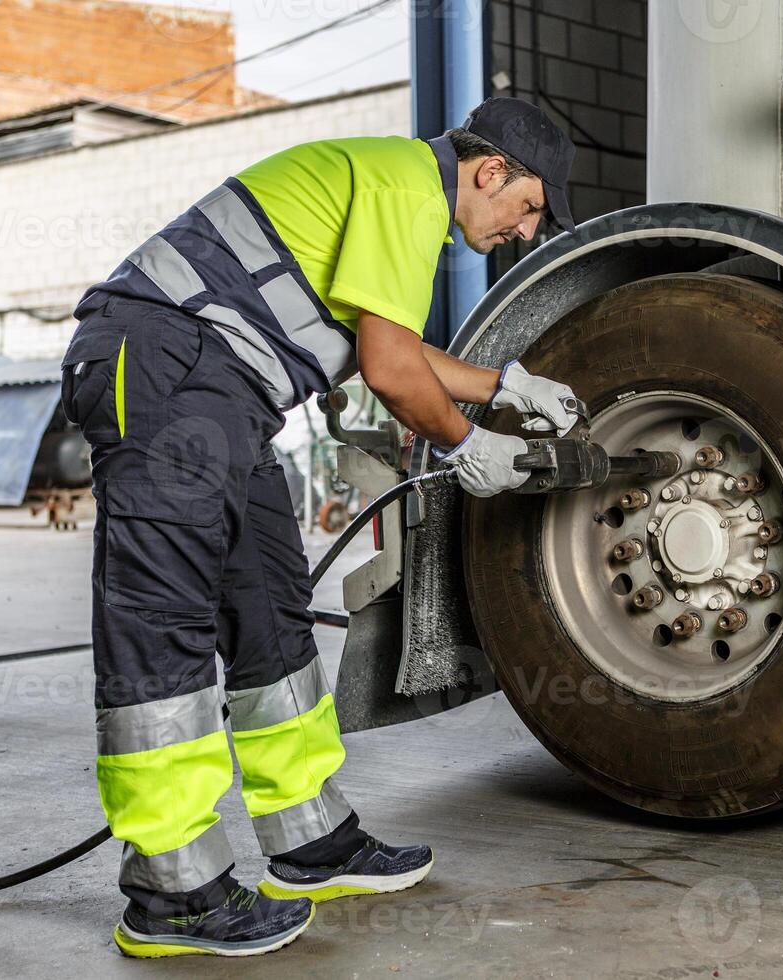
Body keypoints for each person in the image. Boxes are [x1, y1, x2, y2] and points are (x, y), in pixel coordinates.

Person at [58, 97, 581, 958]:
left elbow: (395, 352)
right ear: (492, 172)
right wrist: (466, 444)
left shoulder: (399, 190)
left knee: (269, 605)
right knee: (166, 618)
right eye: (530, 208)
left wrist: (505, 386)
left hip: (220, 390)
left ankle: (308, 840)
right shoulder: (407, 186)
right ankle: (170, 888)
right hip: (159, 362)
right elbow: (387, 369)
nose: (525, 232)